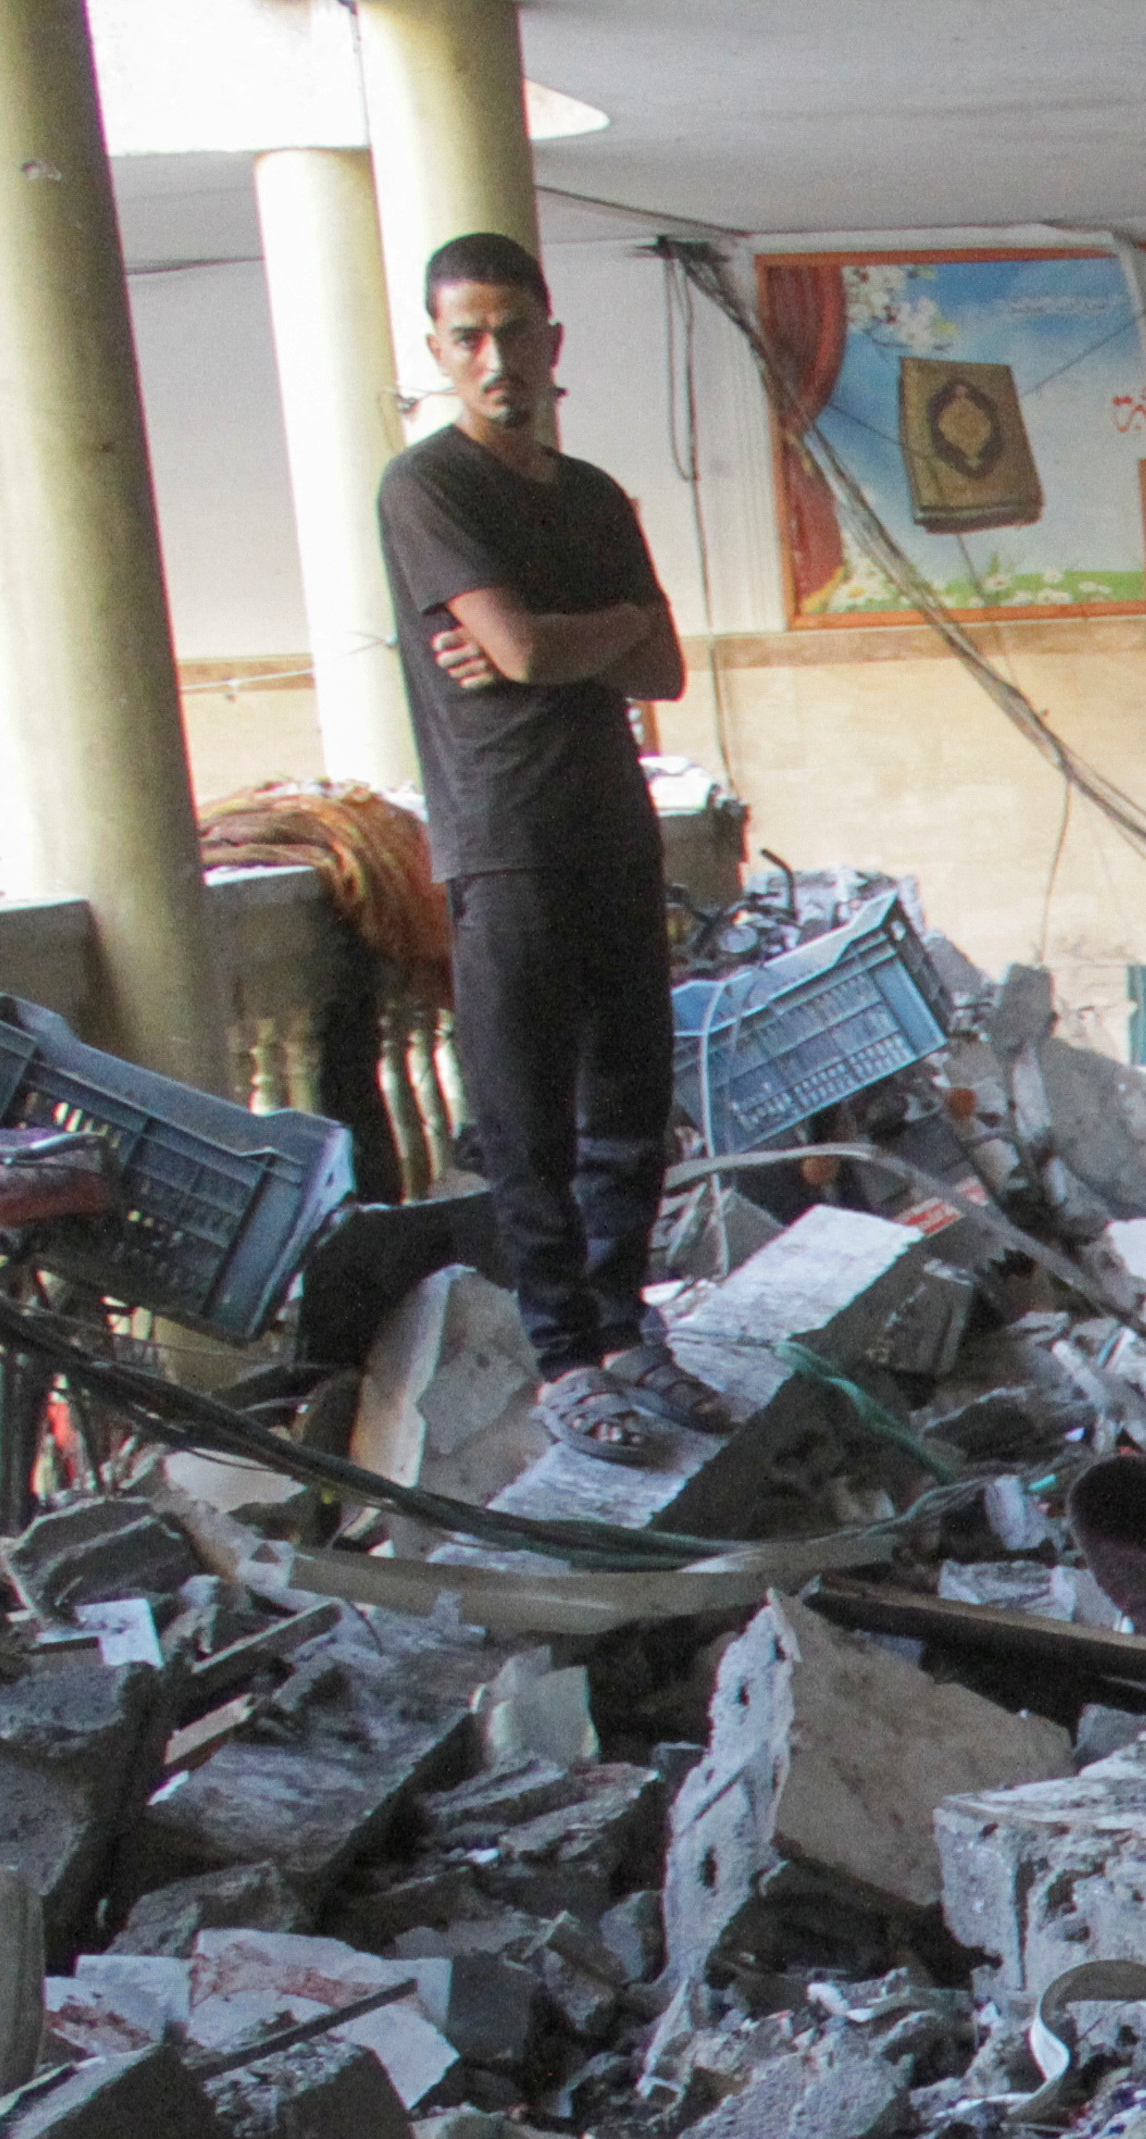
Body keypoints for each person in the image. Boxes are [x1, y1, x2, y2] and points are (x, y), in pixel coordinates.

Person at [380, 229, 696, 1462]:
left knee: (630, 1101)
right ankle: (565, 1358)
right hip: (503, 840)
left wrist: (574, 633)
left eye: (516, 330)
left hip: (615, 826)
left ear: (553, 343)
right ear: (440, 353)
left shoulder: (596, 499)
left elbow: (661, 665)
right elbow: (518, 654)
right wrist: (590, 635)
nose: (497, 356)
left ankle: (625, 1333)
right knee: (527, 1120)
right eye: (469, 335)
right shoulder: (430, 488)